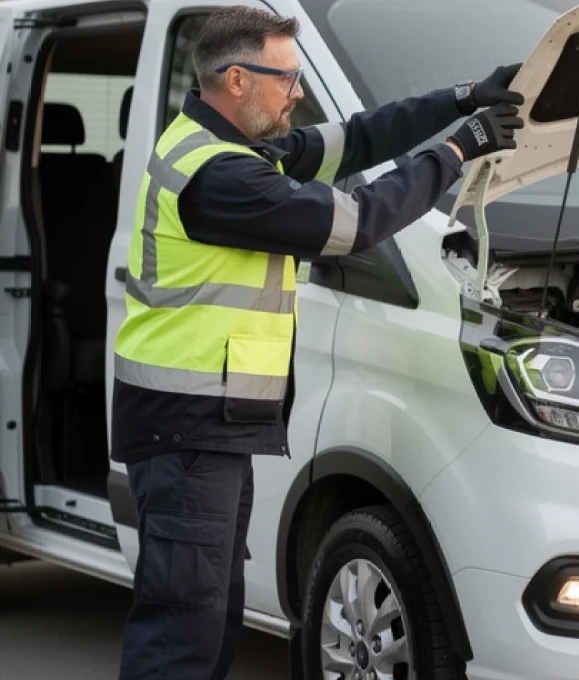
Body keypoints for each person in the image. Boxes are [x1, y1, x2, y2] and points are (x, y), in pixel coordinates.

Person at [110, 6, 523, 679]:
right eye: (287, 78)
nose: (297, 92)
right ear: (238, 80)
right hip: (186, 432)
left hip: (201, 430)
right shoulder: (221, 176)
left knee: (207, 622)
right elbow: (357, 223)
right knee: (181, 634)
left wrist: (465, 97)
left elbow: (357, 139)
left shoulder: (229, 146)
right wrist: (456, 152)